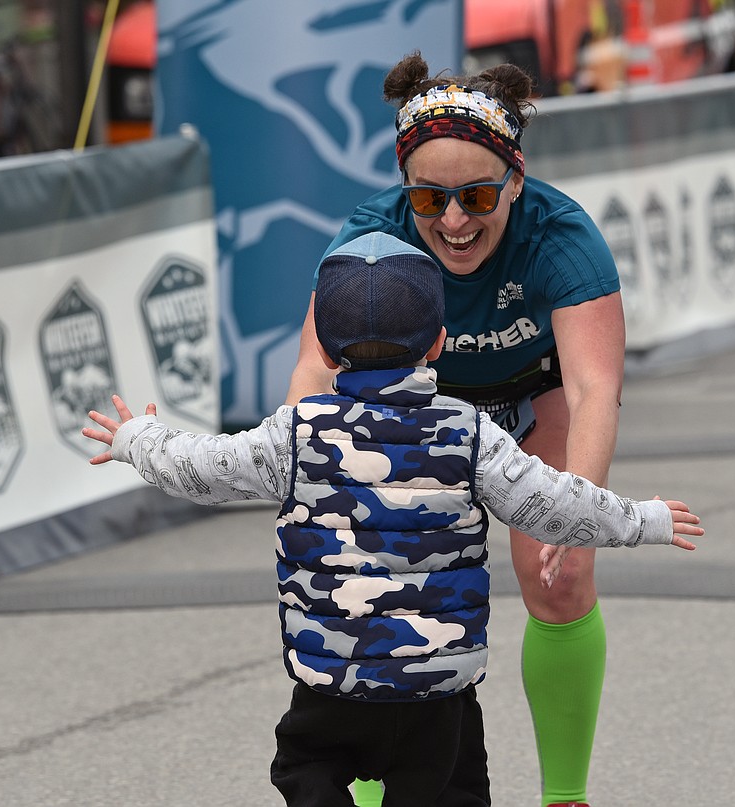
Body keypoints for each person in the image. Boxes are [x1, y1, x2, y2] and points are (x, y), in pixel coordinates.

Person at [86, 232, 704, 806]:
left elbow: (202, 468)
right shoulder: (469, 434)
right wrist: (643, 519)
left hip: (332, 685)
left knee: (304, 768)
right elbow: (556, 504)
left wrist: (136, 437)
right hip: (438, 691)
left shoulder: (296, 434)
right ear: (439, 342)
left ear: (325, 350)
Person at [286, 53, 631, 807]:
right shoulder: (370, 237)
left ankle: (564, 795)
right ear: (403, 189)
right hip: (411, 406)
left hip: (533, 401)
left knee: (564, 574)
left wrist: (580, 517)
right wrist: (310, 481)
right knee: (373, 596)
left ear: (515, 179)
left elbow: (593, 385)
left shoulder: (562, 236)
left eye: (478, 195)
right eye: (429, 198)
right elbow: (316, 367)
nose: (453, 221)